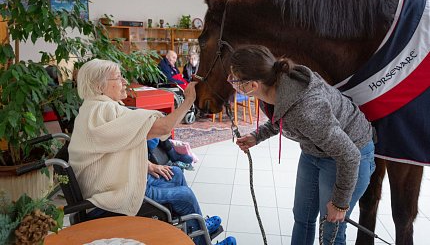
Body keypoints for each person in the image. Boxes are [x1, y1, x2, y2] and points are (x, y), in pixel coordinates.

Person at [68, 59, 235, 245]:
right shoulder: (103, 110)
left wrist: (146, 164)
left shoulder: (92, 108)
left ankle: (195, 227)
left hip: (111, 184)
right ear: (99, 86)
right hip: (108, 197)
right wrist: (189, 100)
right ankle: (200, 237)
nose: (124, 81)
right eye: (118, 77)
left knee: (176, 173)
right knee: (185, 197)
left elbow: (110, 148)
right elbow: (164, 127)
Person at [230, 45, 375, 245]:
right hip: (315, 151)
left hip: (349, 154)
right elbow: (283, 117)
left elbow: (349, 155)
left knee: (331, 230)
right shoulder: (274, 87)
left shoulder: (306, 110)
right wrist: (258, 136)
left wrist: (340, 203)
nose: (231, 83)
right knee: (302, 217)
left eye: (234, 79)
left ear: (252, 85)